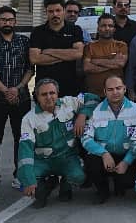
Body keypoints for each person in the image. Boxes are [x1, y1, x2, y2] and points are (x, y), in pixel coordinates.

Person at [0, 6, 34, 199]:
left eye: (10, 20)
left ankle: (19, 175)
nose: (7, 23)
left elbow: (30, 69)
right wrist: (5, 91)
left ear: (15, 22)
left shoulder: (24, 42)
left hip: (21, 99)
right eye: (3, 19)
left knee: (22, 139)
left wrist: (17, 88)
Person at [19, 79, 91, 209]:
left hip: (67, 158)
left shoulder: (69, 103)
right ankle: (48, 185)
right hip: (43, 161)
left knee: (79, 176)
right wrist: (29, 180)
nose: (49, 97)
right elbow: (25, 151)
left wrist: (82, 115)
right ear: (37, 97)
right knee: (27, 182)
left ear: (57, 93)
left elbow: (92, 99)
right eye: (44, 94)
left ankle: (65, 184)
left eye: (52, 93)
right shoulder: (29, 119)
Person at [81, 76, 136, 204]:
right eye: (110, 89)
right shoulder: (95, 111)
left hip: (126, 155)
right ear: (104, 92)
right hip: (103, 155)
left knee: (128, 182)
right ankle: (102, 190)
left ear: (124, 89)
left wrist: (126, 162)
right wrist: (104, 153)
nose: (115, 92)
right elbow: (86, 138)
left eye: (118, 88)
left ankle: (119, 181)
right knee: (92, 162)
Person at [29, 0, 86, 97]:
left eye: (58, 10)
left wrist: (49, 51)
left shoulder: (75, 30)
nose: (55, 14)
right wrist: (67, 55)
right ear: (46, 12)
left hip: (70, 88)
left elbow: (78, 54)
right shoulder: (38, 32)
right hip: (45, 89)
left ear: (63, 11)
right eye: (51, 11)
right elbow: (35, 58)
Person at [82, 13, 128, 97]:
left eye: (110, 26)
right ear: (98, 28)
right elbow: (87, 67)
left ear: (114, 29)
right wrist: (112, 62)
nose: (107, 28)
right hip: (93, 95)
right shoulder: (89, 46)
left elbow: (120, 64)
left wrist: (95, 61)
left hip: (116, 94)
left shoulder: (121, 45)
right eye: (103, 25)